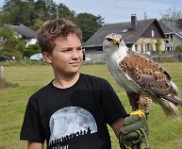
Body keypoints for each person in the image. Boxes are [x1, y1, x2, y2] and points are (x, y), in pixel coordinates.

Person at [20, 19, 148, 149]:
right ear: (48, 57)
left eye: (79, 49)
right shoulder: (37, 101)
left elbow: (123, 132)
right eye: (67, 50)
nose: (76, 55)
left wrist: (132, 135)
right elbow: (35, 144)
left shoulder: (99, 87)